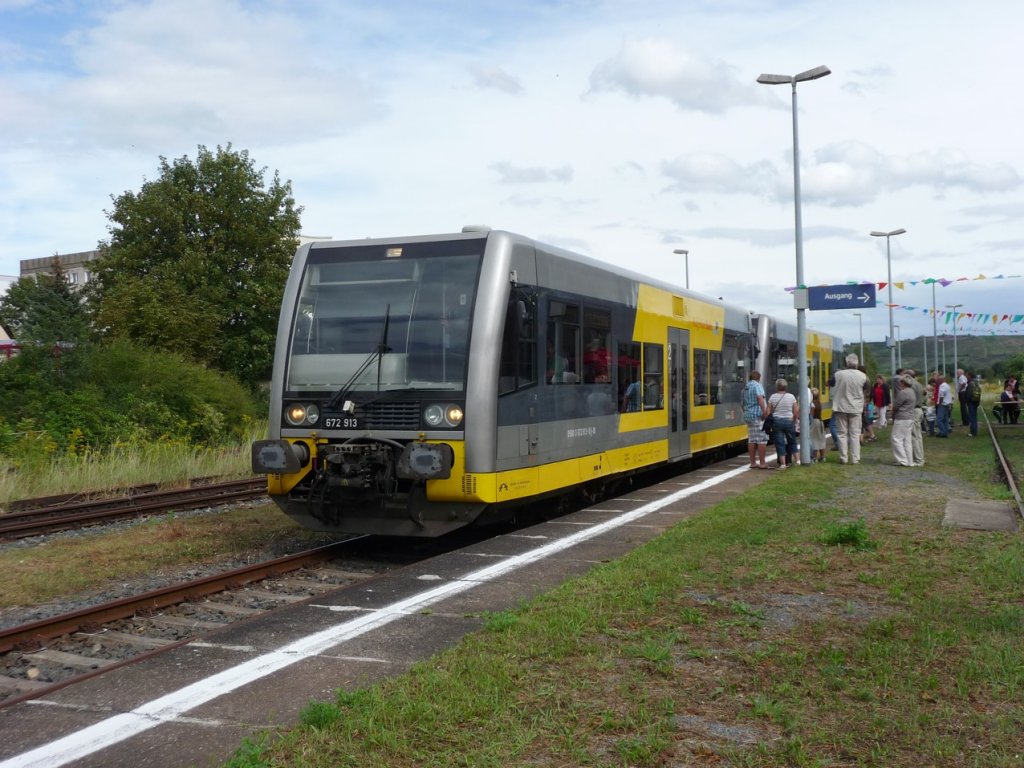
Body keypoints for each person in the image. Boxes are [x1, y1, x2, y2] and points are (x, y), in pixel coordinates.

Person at [831, 353, 868, 465]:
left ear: (846, 363)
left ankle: (843, 457)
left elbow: (830, 383)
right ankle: (855, 458)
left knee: (842, 433)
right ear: (857, 364)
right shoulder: (863, 376)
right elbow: (866, 389)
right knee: (855, 434)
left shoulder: (838, 374)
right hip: (856, 408)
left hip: (841, 407)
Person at [766, 378, 799, 469]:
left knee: (780, 443)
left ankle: (783, 464)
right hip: (789, 420)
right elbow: (796, 411)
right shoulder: (791, 396)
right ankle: (798, 461)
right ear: (786, 387)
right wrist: (794, 419)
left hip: (777, 421)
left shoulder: (773, 397)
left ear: (777, 387)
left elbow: (768, 412)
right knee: (792, 441)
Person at [742, 370, 770, 469]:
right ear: (758, 378)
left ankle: (753, 462)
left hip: (748, 415)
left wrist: (745, 412)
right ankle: (762, 463)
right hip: (758, 415)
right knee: (762, 439)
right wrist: (764, 412)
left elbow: (742, 403)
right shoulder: (757, 385)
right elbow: (760, 398)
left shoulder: (745, 387)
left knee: (752, 439)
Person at [890, 374, 917, 466]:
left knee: (896, 438)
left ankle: (902, 460)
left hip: (902, 418)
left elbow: (896, 406)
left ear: (903, 383)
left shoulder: (903, 393)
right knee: (907, 440)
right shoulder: (912, 391)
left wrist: (892, 414)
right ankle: (909, 460)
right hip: (910, 417)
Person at [904, 369, 926, 466]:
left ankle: (918, 459)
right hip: (919, 410)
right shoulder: (919, 384)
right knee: (918, 436)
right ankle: (919, 457)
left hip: (914, 410)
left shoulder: (911, 386)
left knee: (914, 436)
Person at [810, 388, 827, 463]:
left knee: (814, 439)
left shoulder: (812, 404)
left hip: (814, 422)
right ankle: (823, 457)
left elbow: (812, 415)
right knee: (821, 439)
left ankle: (814, 457)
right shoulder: (819, 403)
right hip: (820, 422)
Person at [965, 371, 980, 437]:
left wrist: (966, 401)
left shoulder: (970, 384)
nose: (966, 377)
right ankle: (975, 431)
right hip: (976, 402)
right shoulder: (976, 383)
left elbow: (968, 394)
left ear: (969, 376)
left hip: (971, 402)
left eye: (967, 375)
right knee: (974, 417)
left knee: (972, 417)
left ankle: (973, 432)